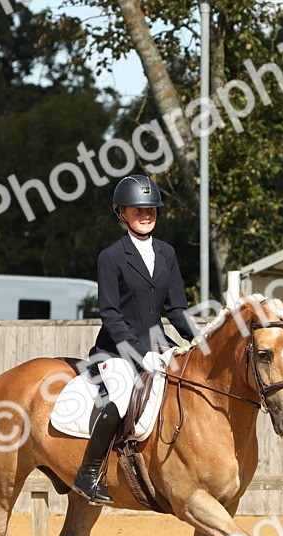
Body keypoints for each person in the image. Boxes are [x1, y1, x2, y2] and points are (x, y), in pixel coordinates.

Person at [70, 174, 200, 505]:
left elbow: (176, 309)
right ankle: (88, 472)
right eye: (137, 209)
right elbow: (111, 315)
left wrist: (201, 339)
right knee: (119, 397)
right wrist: (141, 355)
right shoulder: (111, 257)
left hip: (159, 342)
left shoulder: (167, 253)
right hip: (116, 348)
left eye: (151, 209)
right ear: (122, 213)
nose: (146, 215)